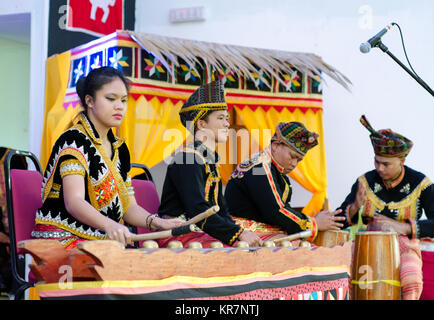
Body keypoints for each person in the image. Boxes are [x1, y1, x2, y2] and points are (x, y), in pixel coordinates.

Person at [32, 67, 183, 248]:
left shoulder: (120, 148)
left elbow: (128, 207)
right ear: (89, 101)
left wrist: (156, 222)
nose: (119, 106)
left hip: (103, 240)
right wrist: (109, 224)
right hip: (63, 238)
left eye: (123, 100)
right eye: (110, 99)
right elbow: (74, 202)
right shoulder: (73, 140)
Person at [336, 115, 434, 300]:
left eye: (386, 164)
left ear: (401, 161)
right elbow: (339, 221)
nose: (379, 168)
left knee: (412, 280)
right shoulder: (365, 181)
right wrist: (355, 206)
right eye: (376, 161)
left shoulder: (421, 184)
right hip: (365, 244)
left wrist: (404, 227)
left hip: (405, 245)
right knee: (340, 273)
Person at [157, 79, 263, 248]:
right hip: (177, 234)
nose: (227, 124)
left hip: (200, 231)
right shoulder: (188, 158)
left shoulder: (210, 159)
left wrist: (238, 233)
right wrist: (238, 234)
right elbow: (198, 210)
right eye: (220, 118)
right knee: (231, 249)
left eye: (227, 118)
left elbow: (221, 210)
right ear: (201, 124)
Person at [225, 122, 345, 243]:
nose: (294, 164)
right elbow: (276, 211)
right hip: (243, 232)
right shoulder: (259, 168)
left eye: (298, 160)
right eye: (292, 156)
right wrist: (314, 223)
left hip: (261, 231)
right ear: (276, 145)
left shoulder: (277, 173)